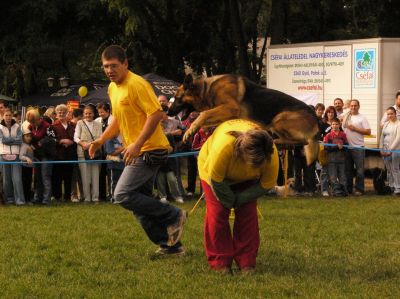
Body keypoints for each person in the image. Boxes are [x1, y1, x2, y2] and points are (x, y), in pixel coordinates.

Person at [89, 45, 187, 255]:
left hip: (151, 150)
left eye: (113, 65)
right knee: (137, 204)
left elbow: (155, 115)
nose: (109, 70)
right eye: (105, 66)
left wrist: (137, 144)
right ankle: (170, 245)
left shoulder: (137, 84)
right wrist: (99, 141)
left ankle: (173, 215)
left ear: (125, 63)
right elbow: (117, 120)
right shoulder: (113, 88)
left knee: (122, 194)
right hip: (137, 150)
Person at [198, 119, 278, 272]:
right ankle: (220, 262)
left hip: (248, 179)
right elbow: (216, 180)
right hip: (214, 176)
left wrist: (241, 199)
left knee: (248, 214)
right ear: (241, 152)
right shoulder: (224, 148)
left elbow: (266, 184)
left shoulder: (270, 152)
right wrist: (229, 200)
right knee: (218, 213)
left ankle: (247, 262)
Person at [342, 99, 371, 195]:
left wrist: (355, 129)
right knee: (348, 170)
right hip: (347, 147)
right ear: (349, 106)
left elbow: (368, 132)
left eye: (355, 105)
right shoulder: (346, 116)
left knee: (359, 171)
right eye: (351, 105)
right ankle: (348, 189)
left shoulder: (362, 118)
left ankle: (359, 189)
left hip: (358, 147)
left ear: (358, 106)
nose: (353, 107)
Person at [74, 105, 102, 203]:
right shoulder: (79, 123)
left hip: (95, 152)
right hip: (82, 153)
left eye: (90, 113)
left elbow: (100, 138)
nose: (88, 115)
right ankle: (87, 198)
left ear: (93, 114)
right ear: (83, 114)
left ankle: (95, 198)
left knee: (95, 176)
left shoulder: (98, 124)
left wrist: (90, 145)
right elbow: (76, 137)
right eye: (86, 113)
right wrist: (82, 143)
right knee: (85, 176)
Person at [50, 104, 77, 202]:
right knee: (57, 177)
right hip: (58, 155)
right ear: (56, 114)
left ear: (67, 113)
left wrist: (71, 142)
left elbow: (77, 137)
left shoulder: (73, 125)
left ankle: (67, 197)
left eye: (63, 112)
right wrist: (61, 141)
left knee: (68, 177)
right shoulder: (52, 126)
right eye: (59, 112)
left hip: (70, 154)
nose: (61, 114)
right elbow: (51, 140)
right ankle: (57, 197)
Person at [27, 109, 54, 205]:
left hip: (46, 155)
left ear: (38, 119)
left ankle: (46, 200)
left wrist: (37, 145)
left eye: (33, 122)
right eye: (30, 122)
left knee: (45, 177)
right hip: (36, 155)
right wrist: (36, 144)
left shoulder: (47, 126)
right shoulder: (31, 126)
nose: (32, 124)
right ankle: (37, 198)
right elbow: (29, 139)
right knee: (37, 178)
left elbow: (52, 140)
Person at [0, 109, 25, 205]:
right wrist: (13, 140)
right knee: (6, 179)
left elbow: (20, 141)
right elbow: (3, 141)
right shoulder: (0, 127)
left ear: (12, 116)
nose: (8, 117)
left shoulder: (17, 126)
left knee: (17, 179)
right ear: (3, 116)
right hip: (3, 154)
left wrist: (9, 140)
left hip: (16, 154)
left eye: (10, 115)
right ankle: (9, 199)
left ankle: (20, 200)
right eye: (6, 115)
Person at [323, 118, 348, 196]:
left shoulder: (343, 134)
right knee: (333, 176)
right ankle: (335, 191)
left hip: (341, 159)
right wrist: (336, 147)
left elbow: (347, 145)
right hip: (332, 159)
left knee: (342, 176)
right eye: (333, 124)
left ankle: (344, 190)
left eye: (336, 124)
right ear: (331, 125)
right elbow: (326, 148)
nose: (335, 126)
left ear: (339, 125)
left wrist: (343, 147)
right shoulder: (328, 135)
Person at [379, 107, 400, 195]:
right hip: (385, 150)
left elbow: (398, 138)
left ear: (395, 114)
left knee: (395, 169)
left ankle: (397, 188)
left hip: (395, 150)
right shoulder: (386, 124)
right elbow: (382, 137)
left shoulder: (398, 124)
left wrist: (391, 150)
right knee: (389, 169)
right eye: (388, 114)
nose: (390, 115)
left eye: (391, 113)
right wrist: (381, 149)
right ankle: (391, 186)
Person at [96, 102, 113, 201]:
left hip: (111, 152)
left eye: (102, 112)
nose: (100, 114)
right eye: (99, 112)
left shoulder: (113, 120)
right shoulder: (97, 120)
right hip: (100, 152)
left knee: (111, 171)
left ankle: (111, 194)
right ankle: (102, 195)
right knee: (101, 173)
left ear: (108, 111)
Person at [319, 106, 338, 196]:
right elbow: (319, 136)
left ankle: (335, 189)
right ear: (326, 114)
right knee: (324, 171)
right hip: (325, 151)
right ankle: (324, 190)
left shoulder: (337, 123)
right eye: (328, 112)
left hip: (335, 151)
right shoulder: (322, 123)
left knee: (334, 172)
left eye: (332, 112)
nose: (330, 114)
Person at [104, 135, 124, 202]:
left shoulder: (120, 138)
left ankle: (119, 197)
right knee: (113, 182)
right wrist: (123, 148)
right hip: (113, 165)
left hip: (121, 165)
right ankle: (112, 197)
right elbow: (111, 152)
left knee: (120, 182)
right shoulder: (109, 140)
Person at [70, 108, 83, 201]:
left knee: (81, 175)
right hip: (74, 153)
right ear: (79, 116)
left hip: (80, 152)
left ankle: (81, 194)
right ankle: (74, 195)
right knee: (75, 176)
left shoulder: (81, 124)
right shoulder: (72, 125)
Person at [19, 129, 36, 202]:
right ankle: (26, 199)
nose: (29, 138)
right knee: (25, 183)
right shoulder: (24, 146)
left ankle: (28, 198)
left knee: (29, 183)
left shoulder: (30, 145)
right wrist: (27, 158)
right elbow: (21, 156)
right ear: (23, 137)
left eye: (30, 136)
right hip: (24, 167)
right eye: (27, 136)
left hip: (29, 167)